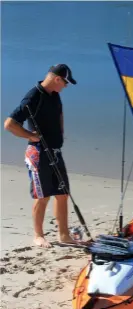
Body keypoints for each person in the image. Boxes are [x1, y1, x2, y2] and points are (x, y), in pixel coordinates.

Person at [4, 64, 78, 248]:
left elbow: (59, 114)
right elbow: (9, 124)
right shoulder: (32, 97)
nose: (66, 86)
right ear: (57, 79)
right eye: (65, 82)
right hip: (38, 153)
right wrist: (30, 136)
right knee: (43, 196)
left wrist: (60, 133)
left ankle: (64, 235)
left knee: (62, 194)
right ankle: (38, 235)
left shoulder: (55, 95)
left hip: (55, 151)